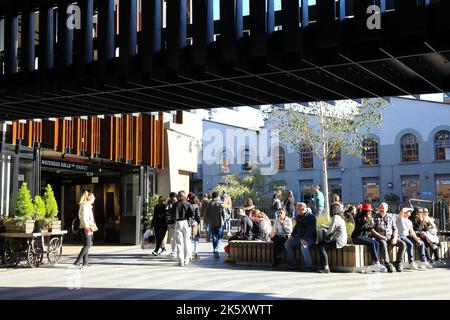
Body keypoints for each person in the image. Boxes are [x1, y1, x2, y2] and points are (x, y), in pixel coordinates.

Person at [351, 203, 387, 272]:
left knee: (376, 243)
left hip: (363, 236)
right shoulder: (358, 217)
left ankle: (376, 262)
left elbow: (366, 229)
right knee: (372, 244)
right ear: (365, 211)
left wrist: (372, 226)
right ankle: (376, 262)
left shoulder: (366, 217)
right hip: (356, 237)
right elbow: (359, 228)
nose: (370, 212)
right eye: (369, 211)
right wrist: (366, 222)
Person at [372, 203, 406, 272]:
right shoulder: (374, 217)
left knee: (403, 244)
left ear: (387, 209)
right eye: (380, 208)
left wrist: (395, 237)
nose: (381, 209)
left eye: (383, 208)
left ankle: (398, 262)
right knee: (383, 243)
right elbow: (372, 230)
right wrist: (381, 236)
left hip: (390, 237)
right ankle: (387, 263)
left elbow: (395, 229)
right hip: (380, 237)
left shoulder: (390, 217)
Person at [284, 202, 317, 272]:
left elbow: (311, 230)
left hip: (310, 238)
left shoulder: (311, 217)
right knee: (287, 244)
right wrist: (292, 235)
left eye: (297, 209)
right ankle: (293, 264)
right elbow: (296, 227)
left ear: (302, 209)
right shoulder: (298, 216)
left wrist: (304, 239)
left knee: (304, 246)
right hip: (299, 237)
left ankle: (309, 267)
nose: (296, 210)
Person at [317, 202, 347, 273]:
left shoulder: (335, 217)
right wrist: (325, 226)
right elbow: (334, 227)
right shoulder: (340, 217)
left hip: (338, 240)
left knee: (321, 246)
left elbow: (330, 231)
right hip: (342, 240)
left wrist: (324, 234)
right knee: (322, 245)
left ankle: (326, 267)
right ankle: (324, 266)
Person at [171, 191, 194, 267]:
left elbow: (172, 214)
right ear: (184, 196)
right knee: (186, 242)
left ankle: (181, 261)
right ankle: (186, 259)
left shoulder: (175, 204)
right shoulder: (188, 204)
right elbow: (192, 213)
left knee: (179, 243)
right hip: (186, 223)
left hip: (178, 223)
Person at [74, 191, 96, 268]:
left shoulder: (86, 205)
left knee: (87, 244)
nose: (94, 199)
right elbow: (84, 218)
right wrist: (88, 228)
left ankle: (85, 263)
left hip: (84, 227)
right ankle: (77, 261)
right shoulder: (85, 206)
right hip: (85, 227)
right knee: (88, 244)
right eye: (93, 197)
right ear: (90, 198)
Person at [205, 191, 226, 258]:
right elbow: (224, 214)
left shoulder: (209, 203)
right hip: (220, 223)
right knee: (220, 237)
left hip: (212, 223)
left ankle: (215, 250)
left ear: (213, 196)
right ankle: (217, 249)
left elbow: (207, 214)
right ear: (217, 196)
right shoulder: (221, 203)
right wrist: (224, 220)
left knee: (214, 237)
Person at [188, 193, 201, 260]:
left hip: (188, 223)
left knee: (189, 239)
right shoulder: (196, 205)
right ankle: (195, 253)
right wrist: (198, 222)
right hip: (195, 223)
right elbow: (198, 216)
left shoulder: (187, 204)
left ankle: (189, 254)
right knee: (196, 238)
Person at [166, 192, 178, 257]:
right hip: (170, 223)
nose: (172, 199)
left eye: (173, 198)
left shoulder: (178, 204)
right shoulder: (169, 204)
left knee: (176, 237)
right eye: (171, 198)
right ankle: (173, 251)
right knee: (171, 238)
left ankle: (175, 251)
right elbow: (166, 211)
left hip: (177, 223)